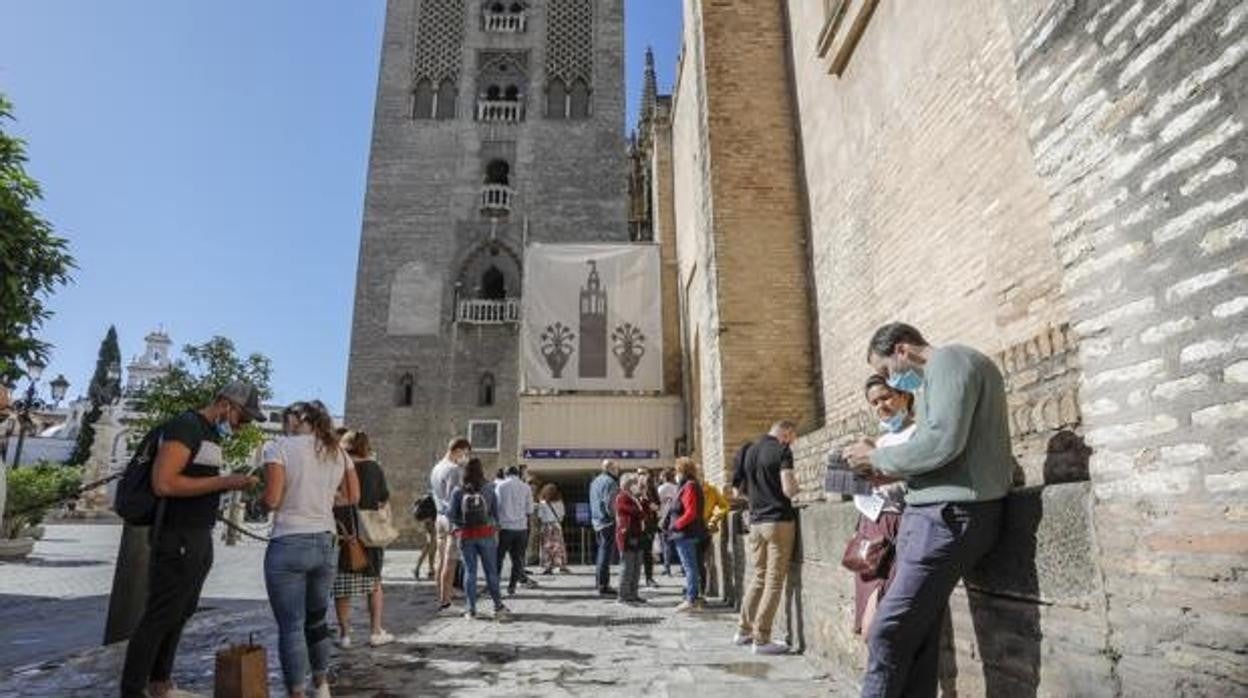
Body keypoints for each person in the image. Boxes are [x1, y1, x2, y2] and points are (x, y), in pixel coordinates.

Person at [844, 322, 1014, 698]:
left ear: (902, 349)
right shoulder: (934, 379)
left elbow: (942, 443)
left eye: (887, 370)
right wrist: (883, 471)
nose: (890, 380)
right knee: (916, 634)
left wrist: (877, 455)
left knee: (888, 628)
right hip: (937, 514)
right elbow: (941, 452)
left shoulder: (950, 361)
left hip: (948, 516)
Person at [119, 382, 263, 698]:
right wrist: (226, 481)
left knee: (181, 611)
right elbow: (164, 483)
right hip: (177, 534)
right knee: (160, 614)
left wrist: (224, 483)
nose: (243, 426)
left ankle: (160, 683)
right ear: (227, 405)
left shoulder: (210, 433)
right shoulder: (186, 426)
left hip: (197, 532)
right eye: (244, 418)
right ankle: (132, 690)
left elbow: (197, 479)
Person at [261, 400, 360, 698]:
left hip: (289, 540)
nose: (283, 424)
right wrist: (325, 500)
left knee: (291, 625)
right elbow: (354, 495)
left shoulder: (278, 447)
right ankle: (321, 684)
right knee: (316, 619)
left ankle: (297, 692)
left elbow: (273, 500)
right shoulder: (337, 451)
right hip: (325, 541)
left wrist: (256, 493)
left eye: (286, 419)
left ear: (298, 419)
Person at [851, 376, 913, 638]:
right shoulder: (882, 440)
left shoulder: (917, 433)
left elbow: (912, 476)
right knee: (867, 605)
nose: (881, 406)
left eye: (886, 398)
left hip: (897, 524)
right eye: (874, 402)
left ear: (905, 397)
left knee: (884, 612)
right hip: (870, 526)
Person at [732, 420, 800, 655]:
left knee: (759, 577)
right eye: (792, 437)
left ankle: (743, 630)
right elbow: (788, 489)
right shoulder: (782, 450)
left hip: (756, 523)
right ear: (786, 433)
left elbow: (738, 490)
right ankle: (761, 639)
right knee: (773, 581)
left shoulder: (749, 451)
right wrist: (796, 489)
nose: (791, 442)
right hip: (778, 521)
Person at [332, 430, 394, 649]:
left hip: (342, 531)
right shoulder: (374, 468)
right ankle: (375, 632)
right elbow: (383, 498)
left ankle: (345, 635)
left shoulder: (338, 465)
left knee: (342, 585)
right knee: (374, 583)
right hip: (369, 533)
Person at [447, 458, 511, 620]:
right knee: (491, 572)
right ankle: (498, 606)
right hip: (486, 535)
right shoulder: (490, 488)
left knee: (470, 571)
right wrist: (494, 528)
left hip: (466, 536)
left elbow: (451, 515)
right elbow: (496, 513)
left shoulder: (458, 490)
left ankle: (471, 609)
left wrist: (457, 530)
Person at [430, 437, 472, 611]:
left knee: (440, 559)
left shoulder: (436, 467)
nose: (465, 457)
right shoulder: (454, 469)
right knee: (451, 560)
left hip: (438, 516)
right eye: (465, 452)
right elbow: (453, 497)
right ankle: (445, 598)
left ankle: (441, 593)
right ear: (458, 450)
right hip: (450, 518)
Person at [669, 457, 707, 613]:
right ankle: (694, 598)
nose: (676, 474)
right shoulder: (690, 485)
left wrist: (675, 525)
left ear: (682, 471)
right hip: (688, 533)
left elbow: (690, 512)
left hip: (686, 533)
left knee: (689, 567)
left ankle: (691, 599)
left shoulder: (689, 486)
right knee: (692, 566)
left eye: (677, 470)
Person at [495, 465, 537, 596]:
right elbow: (530, 510)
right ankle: (512, 587)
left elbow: (495, 506)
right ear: (518, 474)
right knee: (517, 559)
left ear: (506, 474)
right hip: (521, 528)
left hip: (505, 527)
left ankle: (495, 585)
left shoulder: (500, 486)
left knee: (499, 558)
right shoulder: (526, 487)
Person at [614, 473, 647, 605]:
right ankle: (623, 595)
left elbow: (644, 513)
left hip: (637, 534)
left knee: (636, 567)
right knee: (627, 567)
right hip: (627, 535)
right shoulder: (622, 497)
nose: (637, 485)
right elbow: (635, 512)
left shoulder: (635, 498)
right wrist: (642, 510)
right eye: (634, 482)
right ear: (627, 484)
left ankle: (633, 594)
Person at [589, 460, 621, 595]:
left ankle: (599, 583)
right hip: (607, 521)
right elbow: (610, 504)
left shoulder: (595, 481)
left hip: (597, 521)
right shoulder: (610, 482)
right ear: (610, 469)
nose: (618, 470)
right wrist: (616, 518)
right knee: (605, 554)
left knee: (601, 552)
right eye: (616, 468)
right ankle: (603, 585)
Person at [536, 483, 570, 574]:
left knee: (546, 547)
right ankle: (560, 565)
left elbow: (540, 516)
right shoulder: (560, 502)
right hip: (556, 525)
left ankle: (547, 566)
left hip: (546, 526)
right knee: (558, 546)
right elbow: (562, 515)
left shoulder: (542, 503)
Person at [638, 470, 661, 588]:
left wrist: (654, 506)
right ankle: (633, 579)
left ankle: (649, 578)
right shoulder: (635, 492)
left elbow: (658, 505)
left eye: (644, 474)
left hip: (650, 525)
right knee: (636, 553)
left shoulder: (652, 491)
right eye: (640, 474)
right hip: (638, 526)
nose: (642, 476)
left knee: (647, 553)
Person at [656, 469, 678, 576]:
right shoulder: (676, 488)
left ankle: (667, 567)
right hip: (675, 517)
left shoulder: (661, 488)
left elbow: (657, 502)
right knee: (677, 542)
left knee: (666, 544)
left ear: (664, 477)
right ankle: (682, 568)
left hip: (664, 519)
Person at [412, 492, 438, 580]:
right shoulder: (433, 496)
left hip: (427, 520)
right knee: (431, 546)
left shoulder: (427, 496)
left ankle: (422, 568)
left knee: (429, 545)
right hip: (431, 520)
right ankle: (429, 569)